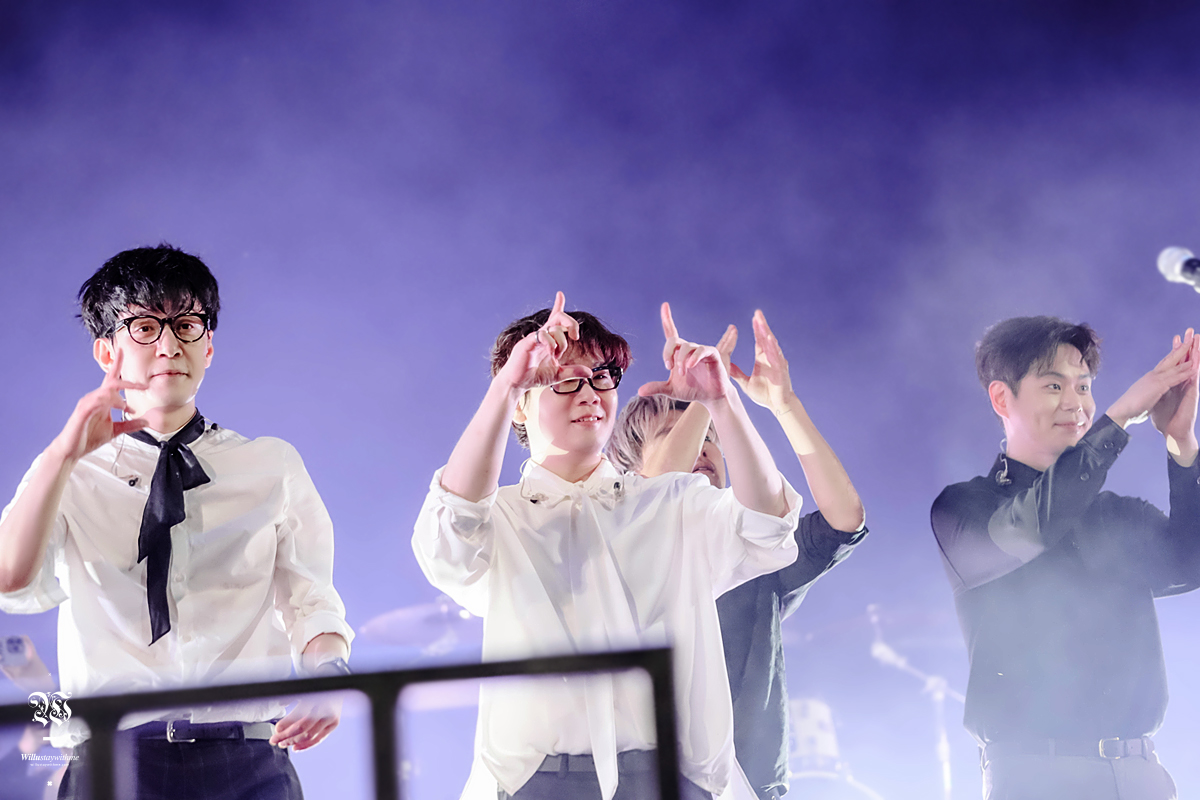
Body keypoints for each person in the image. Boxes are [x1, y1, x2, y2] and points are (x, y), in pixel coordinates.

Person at [412, 292, 803, 800]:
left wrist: (721, 402)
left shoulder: (671, 503)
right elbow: (450, 528)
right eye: (563, 379)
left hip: (673, 779)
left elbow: (768, 523)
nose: (590, 393)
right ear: (521, 405)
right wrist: (505, 385)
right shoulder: (500, 517)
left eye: (602, 376)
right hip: (536, 785)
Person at [0, 245, 354, 800]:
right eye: (144, 327)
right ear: (106, 350)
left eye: (186, 325)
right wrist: (62, 455)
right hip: (114, 761)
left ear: (208, 345)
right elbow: (10, 579)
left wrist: (329, 679)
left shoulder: (270, 463)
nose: (169, 346)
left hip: (248, 757)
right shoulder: (70, 472)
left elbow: (313, 605)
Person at [930, 316, 1200, 799]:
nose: (1076, 403)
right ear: (1002, 398)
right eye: (1054, 386)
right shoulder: (963, 508)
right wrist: (1118, 419)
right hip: (1037, 775)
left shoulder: (1114, 512)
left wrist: (1182, 444)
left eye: (1084, 386)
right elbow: (1032, 528)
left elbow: (1189, 563)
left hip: (1141, 772)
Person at [607, 309, 866, 800]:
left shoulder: (753, 547)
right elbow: (656, 494)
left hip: (750, 785)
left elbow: (843, 519)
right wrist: (707, 397)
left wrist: (785, 406)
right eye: (677, 434)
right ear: (628, 470)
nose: (704, 447)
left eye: (712, 437)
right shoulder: (617, 544)